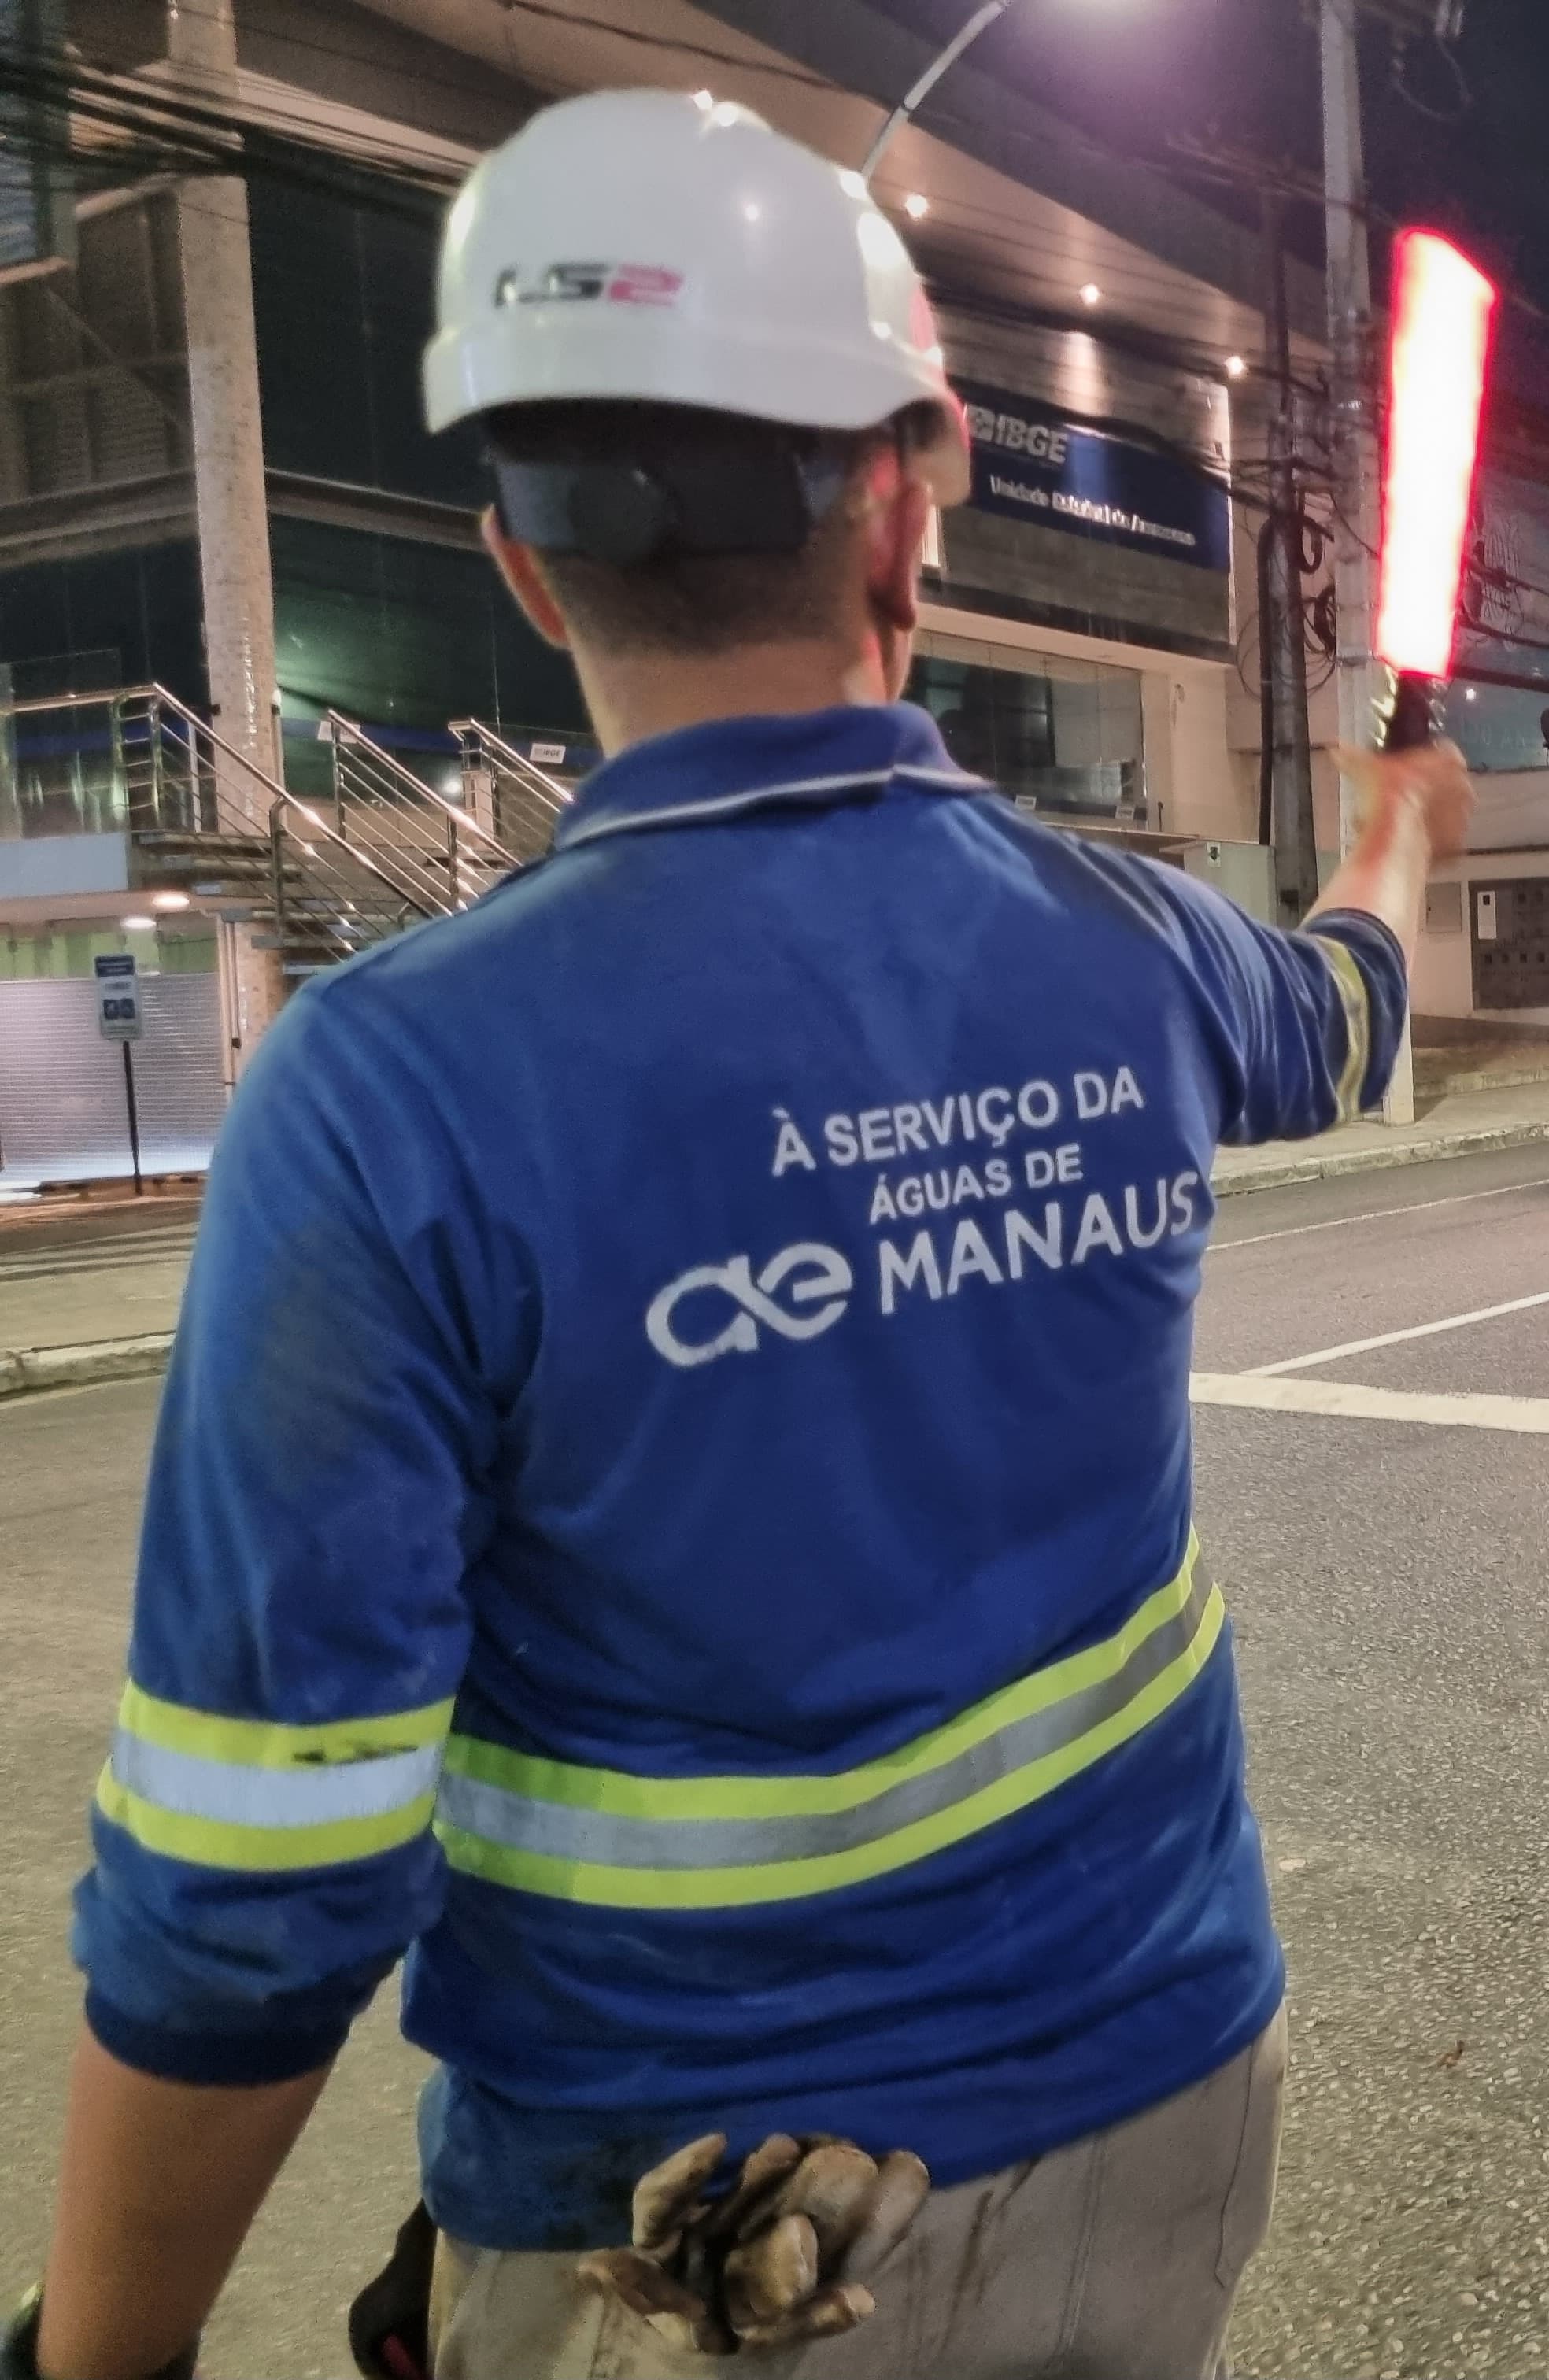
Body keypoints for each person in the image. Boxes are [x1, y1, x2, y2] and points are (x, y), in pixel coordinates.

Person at [19, 87, 1468, 2380]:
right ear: (909, 507)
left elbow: (256, 1877)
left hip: (708, 2232)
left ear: (524, 564)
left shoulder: (390, 1091)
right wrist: (1397, 829)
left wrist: (95, 2355)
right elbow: (1353, 1010)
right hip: (1174, 2097)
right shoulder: (1141, 950)